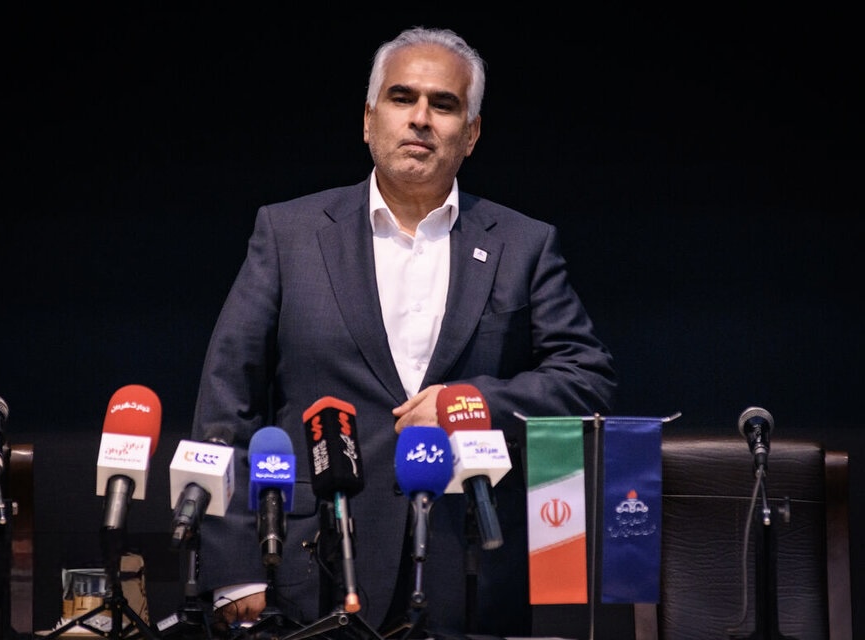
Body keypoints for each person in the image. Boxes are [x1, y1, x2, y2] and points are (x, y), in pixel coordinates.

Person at [191, 25, 617, 639]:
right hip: (315, 568)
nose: (420, 118)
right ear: (368, 120)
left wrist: (468, 403)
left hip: (469, 570)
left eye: (443, 104)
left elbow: (587, 380)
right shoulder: (288, 234)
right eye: (401, 98)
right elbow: (226, 400)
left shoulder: (524, 244)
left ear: (470, 134)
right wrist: (234, 566)